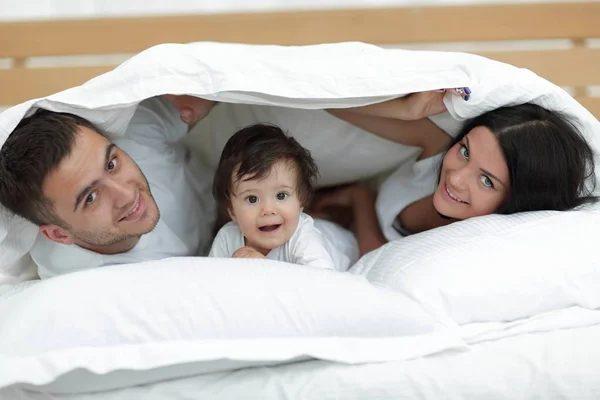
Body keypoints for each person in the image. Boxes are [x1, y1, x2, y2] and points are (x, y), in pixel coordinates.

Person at [311, 89, 598, 256]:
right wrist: (408, 109)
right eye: (465, 151)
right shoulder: (438, 148)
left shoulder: (464, 246)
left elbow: (375, 262)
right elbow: (326, 103)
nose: (456, 178)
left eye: (486, 180)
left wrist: (361, 201)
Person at [0, 94, 219, 279]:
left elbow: (211, 89)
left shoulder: (132, 134)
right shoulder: (89, 285)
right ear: (59, 235)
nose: (126, 195)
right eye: (91, 198)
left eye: (111, 164)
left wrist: (205, 99)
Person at [209, 123, 358, 271]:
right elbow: (209, 281)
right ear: (232, 211)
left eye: (281, 195)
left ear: (302, 200)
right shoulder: (227, 239)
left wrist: (266, 268)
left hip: (341, 242)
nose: (268, 210)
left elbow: (320, 284)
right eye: (252, 199)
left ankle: (354, 200)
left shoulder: (304, 239)